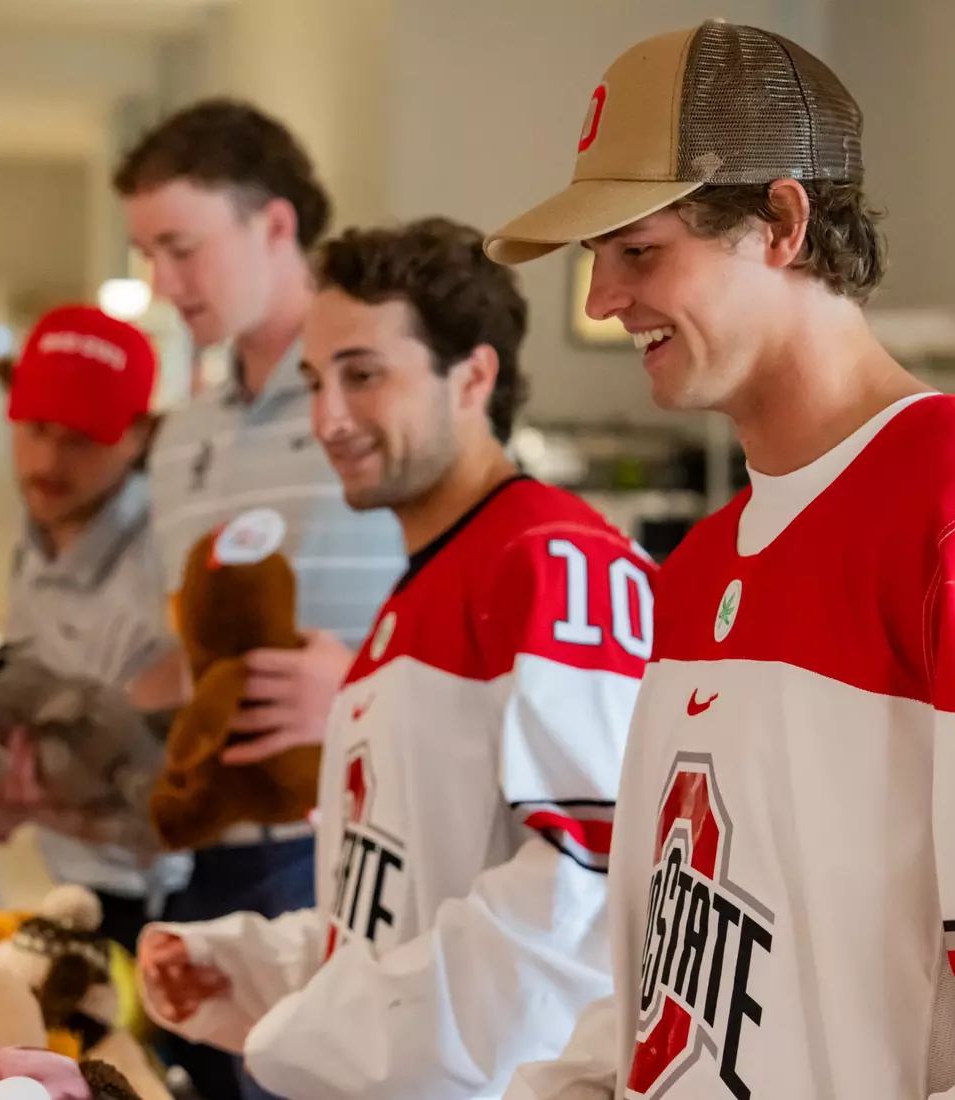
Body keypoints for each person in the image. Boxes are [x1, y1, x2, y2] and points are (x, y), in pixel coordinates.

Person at [483, 20, 955, 1100]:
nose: (603, 302)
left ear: (781, 222)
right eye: (593, 261)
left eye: (638, 250)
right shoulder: (702, 567)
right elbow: (673, 967)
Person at [131, 217, 655, 1100]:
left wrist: (312, 1029)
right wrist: (253, 970)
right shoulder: (428, 584)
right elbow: (400, 906)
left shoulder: (555, 567)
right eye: (314, 381)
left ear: (473, 376)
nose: (327, 418)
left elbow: (581, 912)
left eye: (363, 375)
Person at [113, 99, 405, 1100]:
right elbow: (182, 654)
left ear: (274, 225)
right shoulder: (183, 430)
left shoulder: (377, 398)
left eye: (181, 247)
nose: (161, 282)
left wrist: (360, 690)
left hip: (353, 844)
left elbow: (477, 613)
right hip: (205, 854)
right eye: (148, 251)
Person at [0, 304, 189, 952]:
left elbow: (165, 810)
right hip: (69, 880)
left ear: (138, 434)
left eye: (80, 438)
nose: (48, 460)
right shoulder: (32, 542)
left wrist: (27, 802)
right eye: (36, 430)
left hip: (172, 908)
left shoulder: (171, 560)